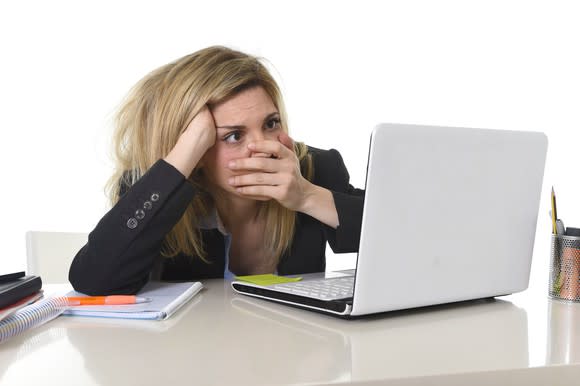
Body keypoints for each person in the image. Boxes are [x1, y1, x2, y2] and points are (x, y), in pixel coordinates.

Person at [69, 46, 364, 295]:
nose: (262, 147)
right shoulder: (155, 188)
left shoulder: (312, 168)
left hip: (290, 352)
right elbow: (94, 280)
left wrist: (307, 197)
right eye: (234, 135)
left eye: (271, 123)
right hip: (191, 354)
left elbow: (404, 234)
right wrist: (184, 154)